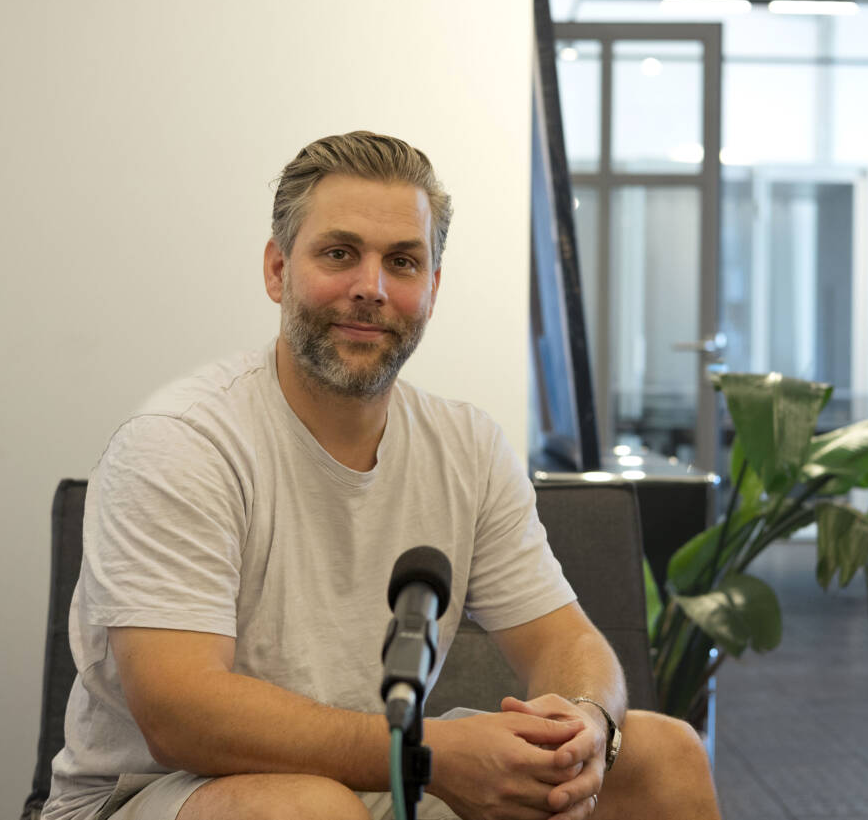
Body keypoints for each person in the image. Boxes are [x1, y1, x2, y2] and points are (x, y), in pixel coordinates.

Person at [40, 131, 721, 820]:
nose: (371, 287)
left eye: (402, 261)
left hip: (373, 775)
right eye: (339, 254)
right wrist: (432, 755)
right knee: (311, 810)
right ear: (277, 269)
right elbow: (180, 712)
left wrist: (586, 726)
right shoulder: (180, 442)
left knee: (664, 757)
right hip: (156, 793)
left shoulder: (469, 447)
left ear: (431, 286)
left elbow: (567, 641)